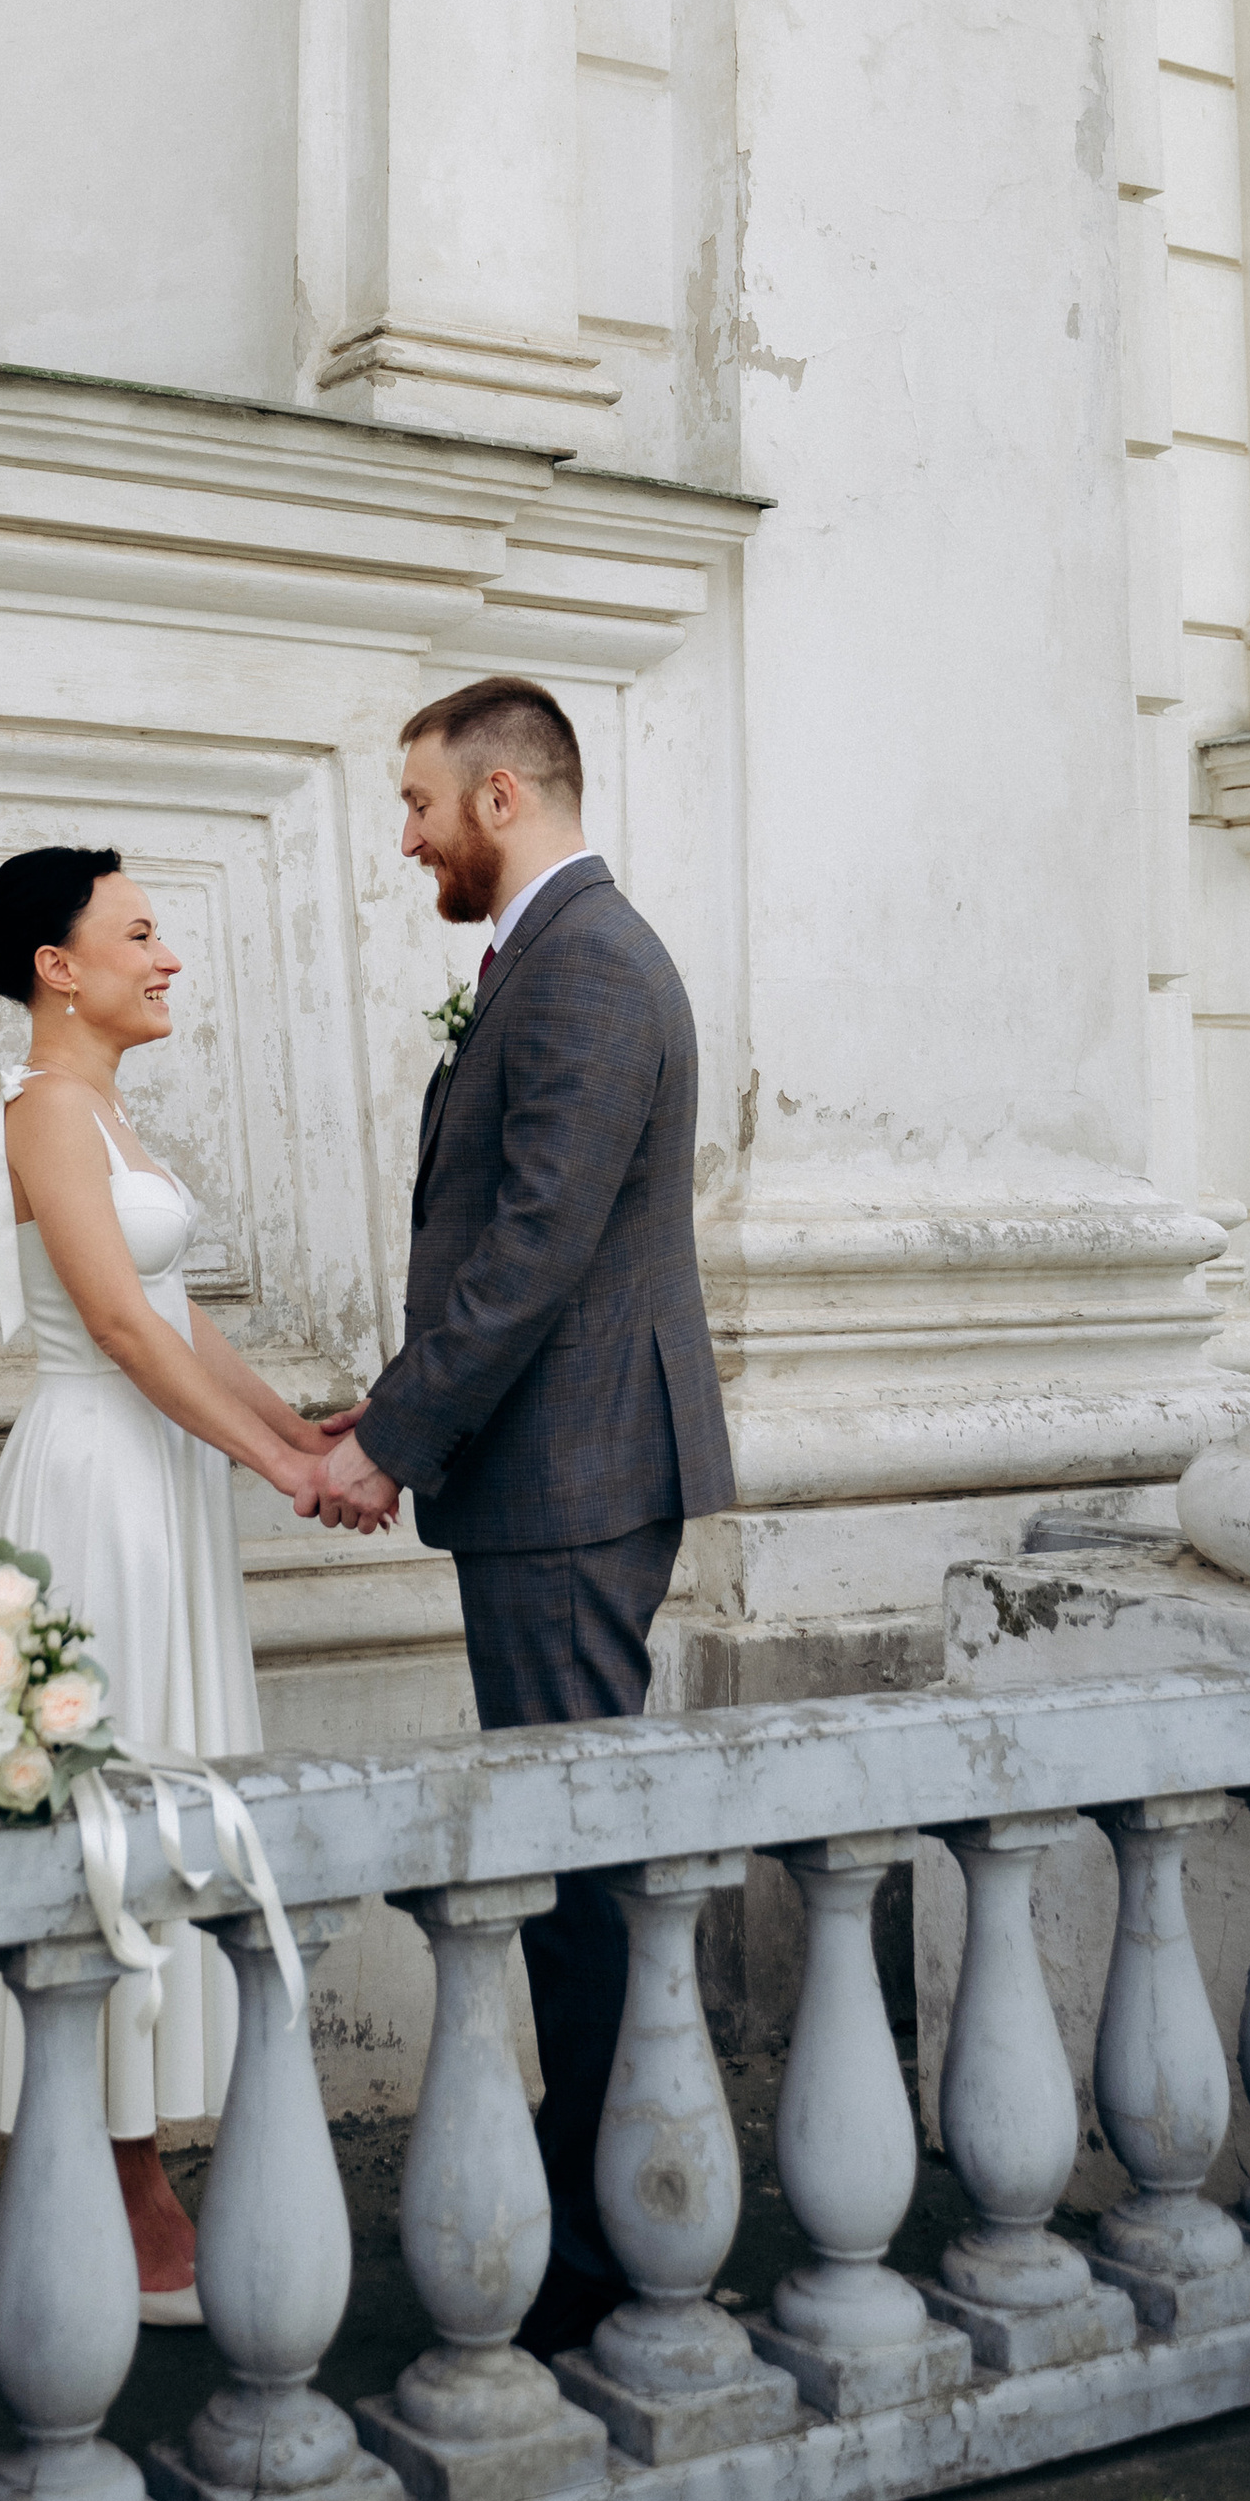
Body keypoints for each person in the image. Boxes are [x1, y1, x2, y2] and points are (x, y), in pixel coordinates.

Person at [299, 677, 737, 2363]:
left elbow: (542, 1244)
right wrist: (391, 1400)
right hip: (549, 1468)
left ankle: (617, 2242)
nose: (403, 837)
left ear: (498, 795)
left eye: (416, 804)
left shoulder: (594, 966)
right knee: (568, 1870)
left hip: (573, 1479)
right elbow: (524, 1234)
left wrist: (395, 1439)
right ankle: (614, 2209)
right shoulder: (557, 963)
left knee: (579, 1878)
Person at [0, 845, 377, 2319]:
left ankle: (132, 2150)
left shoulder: (104, 1106)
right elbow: (116, 1324)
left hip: (158, 1474)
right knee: (108, 1810)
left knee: (169, 1789)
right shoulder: (45, 1108)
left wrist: (308, 1428)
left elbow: (181, 1319)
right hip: (99, 1482)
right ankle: (117, 2176)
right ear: (60, 964)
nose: (166, 959)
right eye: (142, 932)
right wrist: (286, 1472)